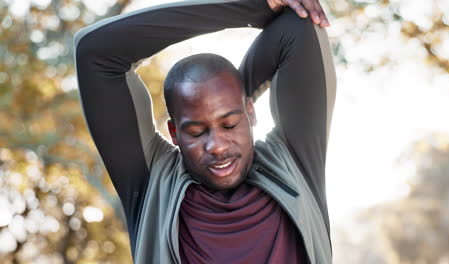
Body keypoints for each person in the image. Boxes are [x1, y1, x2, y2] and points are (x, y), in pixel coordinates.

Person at [74, 0, 336, 263]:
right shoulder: (153, 183)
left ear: (250, 112)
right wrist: (252, 6)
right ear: (174, 133)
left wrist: (230, 89)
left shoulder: (292, 161)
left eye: (230, 124)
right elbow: (94, 50)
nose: (217, 146)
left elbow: (298, 24)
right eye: (197, 131)